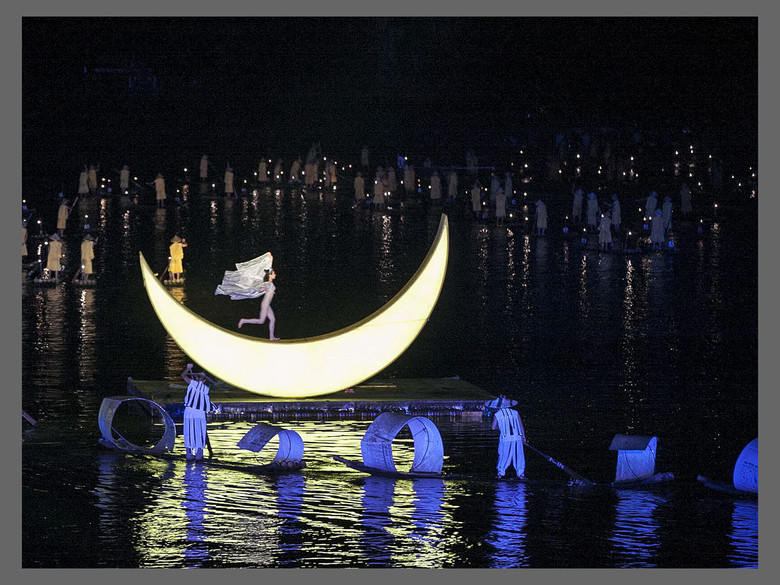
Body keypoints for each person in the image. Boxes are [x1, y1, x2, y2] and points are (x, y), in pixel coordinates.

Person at [181, 363, 218, 461]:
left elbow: (183, 376)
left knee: (192, 432)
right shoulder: (204, 388)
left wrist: (188, 368)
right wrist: (188, 369)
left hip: (192, 412)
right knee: (197, 432)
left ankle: (192, 454)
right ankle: (196, 455)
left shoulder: (195, 384)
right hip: (196, 412)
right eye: (198, 377)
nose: (198, 378)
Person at [486, 396, 526, 479]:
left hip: (506, 438)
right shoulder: (515, 412)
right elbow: (520, 425)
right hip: (517, 437)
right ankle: (521, 474)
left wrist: (499, 426)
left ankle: (500, 473)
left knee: (504, 455)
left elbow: (493, 427)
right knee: (519, 456)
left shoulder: (497, 415)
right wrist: (523, 436)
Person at [238, 268, 279, 340]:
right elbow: (262, 287)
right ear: (270, 275)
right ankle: (244, 320)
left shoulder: (270, 283)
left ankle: (271, 337)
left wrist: (270, 258)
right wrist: (261, 289)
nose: (275, 274)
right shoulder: (268, 283)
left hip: (267, 305)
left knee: (272, 319)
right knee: (261, 321)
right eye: (274, 273)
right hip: (265, 304)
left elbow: (269, 268)